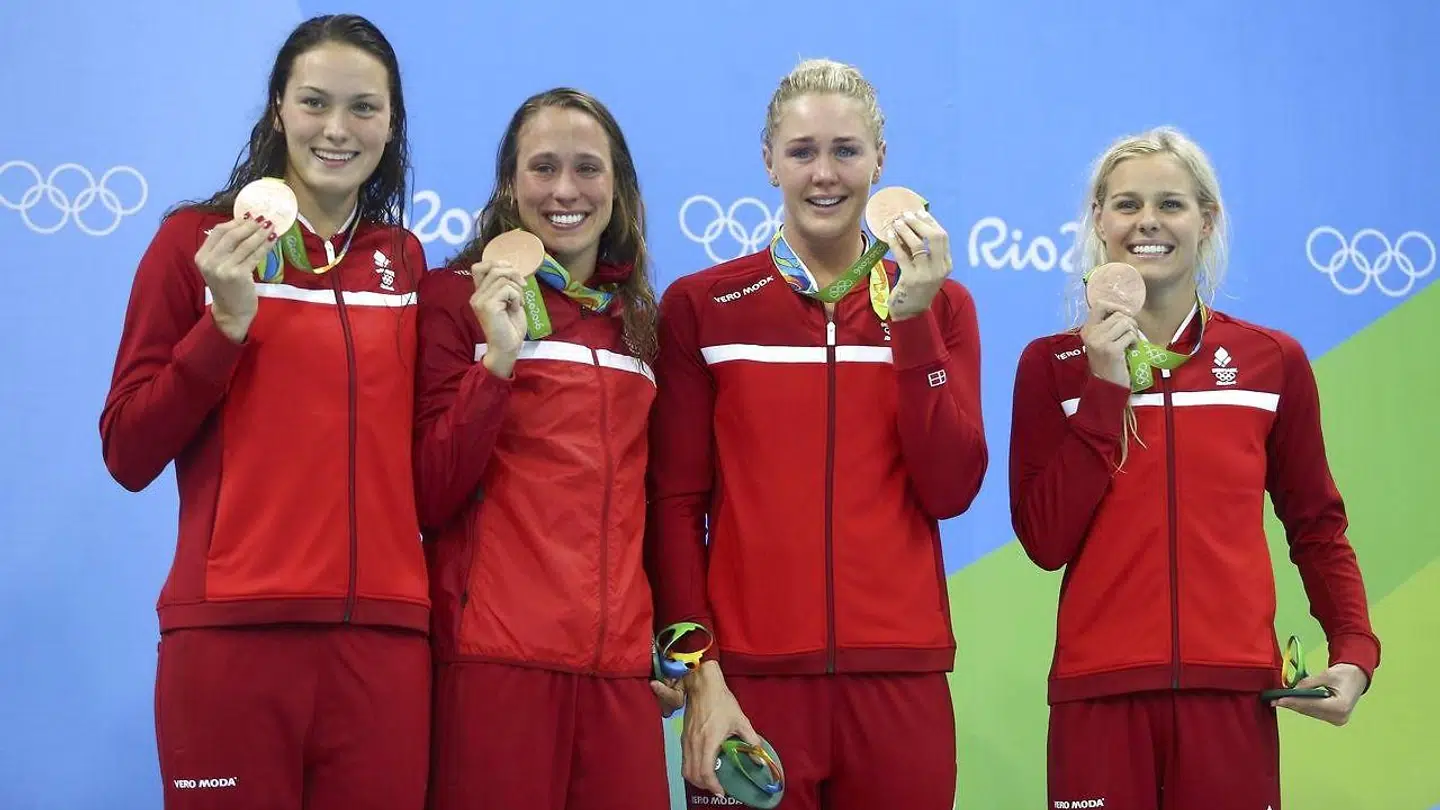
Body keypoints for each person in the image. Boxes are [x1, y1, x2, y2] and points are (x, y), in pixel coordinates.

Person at [98, 15, 430, 810]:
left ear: (391, 123)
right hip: (231, 642)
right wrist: (222, 329)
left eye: (364, 108)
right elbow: (128, 450)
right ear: (278, 108)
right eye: (315, 102)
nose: (338, 129)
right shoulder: (194, 245)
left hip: (381, 649)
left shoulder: (403, 261)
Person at [647, 58, 988, 810]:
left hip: (899, 678)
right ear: (768, 160)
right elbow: (674, 504)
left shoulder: (943, 305)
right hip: (750, 683)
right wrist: (701, 676)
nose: (824, 174)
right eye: (802, 152)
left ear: (880, 160)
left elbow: (953, 486)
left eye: (846, 150)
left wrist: (915, 323)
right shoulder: (704, 306)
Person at [1007, 125, 1381, 810]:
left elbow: (1316, 524)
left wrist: (1354, 648)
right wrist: (1104, 387)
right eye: (1125, 204)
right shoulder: (1050, 366)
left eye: (1170, 204)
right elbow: (1043, 539)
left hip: (1231, 696)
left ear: (1206, 221)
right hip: (1099, 695)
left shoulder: (1272, 361)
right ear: (1098, 221)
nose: (1147, 221)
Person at [415, 87, 668, 810]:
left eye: (587, 169)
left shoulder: (640, 325)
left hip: (619, 679)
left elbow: (653, 506)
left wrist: (661, 647)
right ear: (508, 184)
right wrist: (496, 362)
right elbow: (430, 490)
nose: (565, 190)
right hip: (495, 665)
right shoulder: (450, 301)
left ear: (617, 189)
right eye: (543, 167)